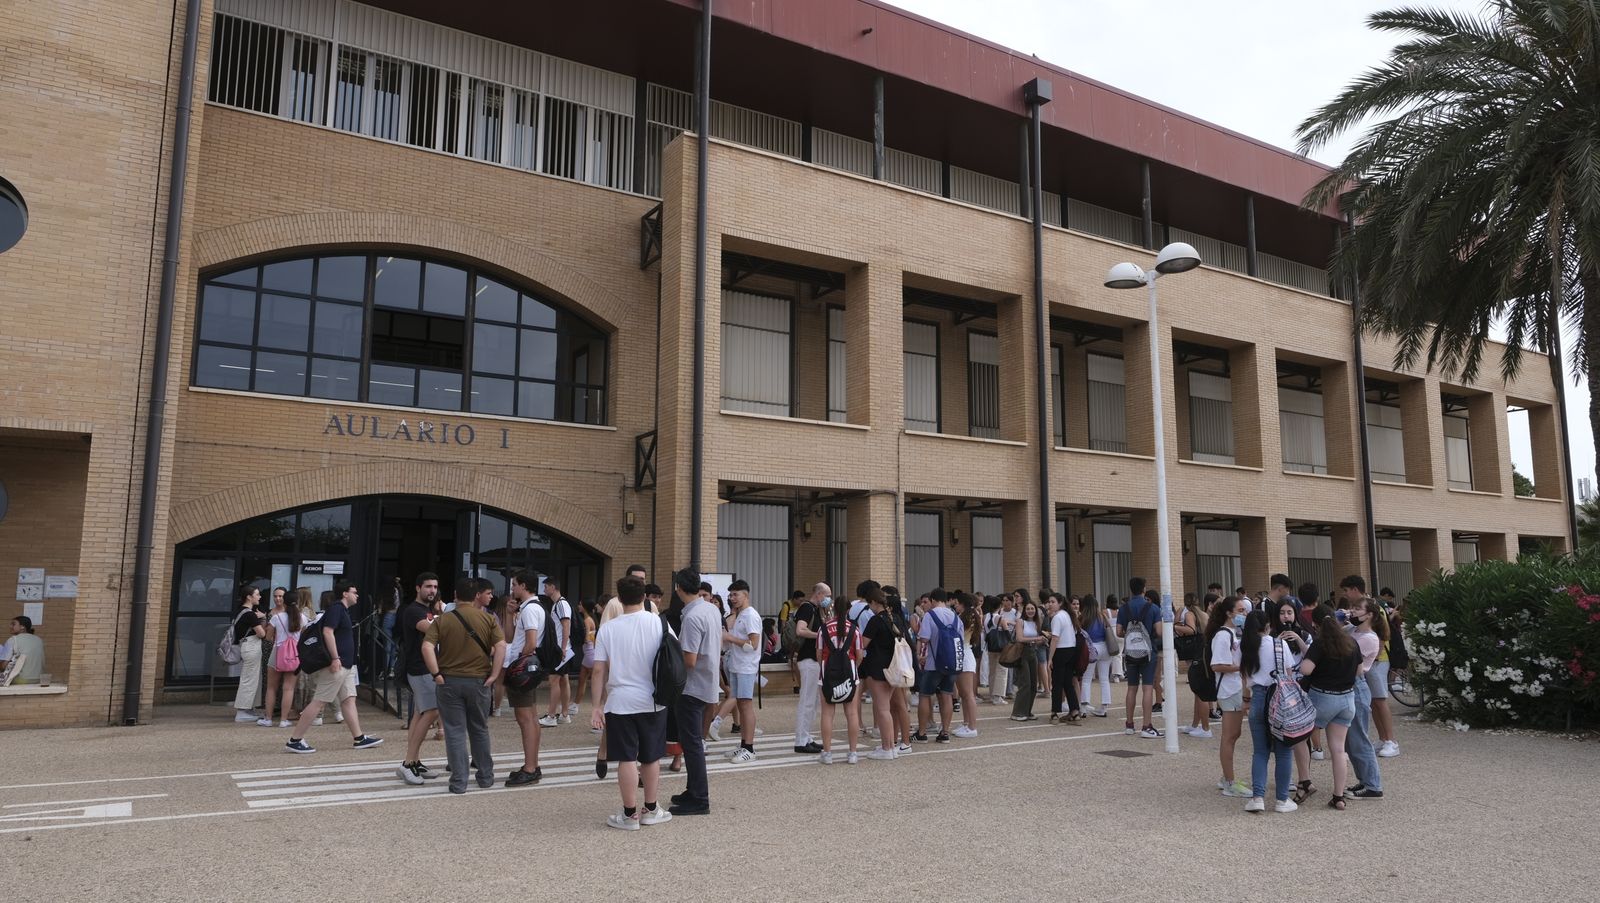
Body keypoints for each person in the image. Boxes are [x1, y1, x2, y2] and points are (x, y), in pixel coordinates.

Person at [591, 575, 673, 830]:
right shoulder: (659, 624)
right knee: (650, 756)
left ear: (619, 597)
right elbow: (674, 657)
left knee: (626, 757)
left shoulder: (608, 628)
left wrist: (596, 705)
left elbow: (598, 670)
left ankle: (629, 815)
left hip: (619, 700)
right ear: (644, 596)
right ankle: (650, 809)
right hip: (652, 699)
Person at [421, 577, 505, 794]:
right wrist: (494, 674)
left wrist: (436, 673)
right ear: (476, 596)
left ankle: (459, 782)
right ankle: (485, 776)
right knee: (479, 729)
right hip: (479, 681)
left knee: (455, 731)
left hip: (449, 681)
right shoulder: (488, 619)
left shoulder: (443, 620)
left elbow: (427, 647)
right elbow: (501, 646)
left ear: (455, 596)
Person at [285, 581, 382, 754]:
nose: (357, 595)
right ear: (345, 593)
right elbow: (327, 632)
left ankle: (359, 738)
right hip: (337, 664)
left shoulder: (342, 610)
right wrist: (335, 658)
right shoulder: (337, 609)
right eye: (354, 591)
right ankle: (295, 740)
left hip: (346, 665)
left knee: (348, 700)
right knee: (319, 701)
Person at [1300, 611, 1363, 811]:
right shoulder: (1352, 643)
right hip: (1347, 698)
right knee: (1338, 748)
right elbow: (1360, 672)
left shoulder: (1319, 644)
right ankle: (1338, 796)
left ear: (1317, 626)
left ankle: (1304, 781)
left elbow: (1306, 670)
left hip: (1323, 697)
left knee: (1300, 737)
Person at [1240, 610, 1300, 814]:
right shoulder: (1278, 644)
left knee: (1260, 751)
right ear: (1268, 625)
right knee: (1283, 752)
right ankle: (1282, 800)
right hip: (1279, 699)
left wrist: (1245, 701)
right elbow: (1290, 674)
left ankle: (1257, 797)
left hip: (1257, 698)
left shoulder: (1246, 647)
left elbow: (1245, 679)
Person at [670, 567, 718, 816]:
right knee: (693, 742)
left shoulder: (691, 617)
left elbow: (689, 660)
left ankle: (700, 798)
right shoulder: (710, 609)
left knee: (692, 744)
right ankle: (692, 790)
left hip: (691, 686)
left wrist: (670, 651)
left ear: (678, 588)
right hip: (706, 683)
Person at [496, 570, 546, 787]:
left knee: (526, 719)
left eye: (514, 585)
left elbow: (531, 642)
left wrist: (518, 665)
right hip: (527, 668)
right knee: (530, 718)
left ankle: (530, 768)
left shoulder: (530, 610)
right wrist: (509, 614)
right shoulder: (527, 609)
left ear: (524, 586)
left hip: (522, 670)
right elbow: (509, 637)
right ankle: (532, 764)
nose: (512, 589)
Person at [394, 573, 445, 784]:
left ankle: (414, 761)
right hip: (420, 668)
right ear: (418, 588)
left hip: (424, 668)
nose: (432, 590)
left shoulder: (427, 610)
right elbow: (433, 629)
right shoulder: (413, 611)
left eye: (434, 587)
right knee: (431, 711)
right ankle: (407, 763)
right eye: (428, 587)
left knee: (419, 713)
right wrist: (447, 615)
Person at [708, 579, 762, 762]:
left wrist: (729, 638)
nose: (732, 598)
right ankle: (743, 743)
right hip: (737, 665)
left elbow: (753, 644)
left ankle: (749, 748)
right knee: (740, 703)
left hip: (746, 667)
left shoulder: (750, 615)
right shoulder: (740, 614)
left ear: (745, 595)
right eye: (730, 595)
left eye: (735, 594)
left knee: (746, 704)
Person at [1345, 595, 1387, 801]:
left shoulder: (1369, 638)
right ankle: (1364, 779)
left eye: (1357, 609)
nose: (1352, 612)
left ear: (1369, 615)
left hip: (1357, 686)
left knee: (1358, 737)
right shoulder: (1352, 630)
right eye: (1351, 608)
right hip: (1345, 687)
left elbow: (1350, 661)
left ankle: (1372, 784)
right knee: (1349, 740)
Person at [1208, 595, 1249, 797]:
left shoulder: (1234, 633)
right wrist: (1240, 667)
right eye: (1240, 611)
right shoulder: (1223, 635)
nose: (1244, 614)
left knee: (1234, 734)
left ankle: (1228, 777)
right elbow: (1216, 665)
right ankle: (1229, 781)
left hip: (1235, 688)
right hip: (1229, 690)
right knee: (1229, 736)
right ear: (1229, 613)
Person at [816, 592, 863, 764]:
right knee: (851, 713)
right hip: (850, 673)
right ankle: (852, 753)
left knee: (827, 714)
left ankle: (827, 753)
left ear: (833, 608)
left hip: (827, 674)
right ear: (849, 609)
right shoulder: (854, 629)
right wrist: (852, 667)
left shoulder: (824, 628)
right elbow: (859, 655)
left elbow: (819, 654)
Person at [858, 585, 901, 759]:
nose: (870, 608)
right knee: (887, 709)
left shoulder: (875, 621)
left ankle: (886, 747)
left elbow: (863, 644)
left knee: (882, 708)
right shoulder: (896, 618)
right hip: (893, 666)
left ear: (875, 602)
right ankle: (889, 745)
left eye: (871, 605)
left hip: (876, 667)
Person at [1117, 577, 1162, 738]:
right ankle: (1146, 725)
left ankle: (1129, 724)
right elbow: (1159, 631)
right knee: (1148, 687)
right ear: (1144, 589)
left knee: (1131, 688)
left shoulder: (1124, 608)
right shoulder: (1153, 608)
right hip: (1148, 652)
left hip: (1130, 652)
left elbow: (1118, 632)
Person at [917, 588, 962, 738]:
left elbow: (924, 638)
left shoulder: (930, 615)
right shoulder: (955, 617)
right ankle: (945, 732)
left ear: (933, 600)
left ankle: (922, 732)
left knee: (925, 695)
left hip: (933, 663)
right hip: (952, 662)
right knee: (947, 695)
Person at [263, 587, 308, 728]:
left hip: (277, 653)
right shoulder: (303, 618)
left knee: (271, 688)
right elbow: (304, 637)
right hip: (295, 655)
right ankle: (283, 720)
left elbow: (268, 637)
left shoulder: (277, 617)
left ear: (285, 602)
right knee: (288, 688)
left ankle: (268, 719)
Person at [791, 583, 827, 754]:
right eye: (826, 596)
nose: (828, 599)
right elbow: (800, 630)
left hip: (813, 661)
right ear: (818, 594)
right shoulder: (807, 608)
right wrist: (821, 635)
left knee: (812, 702)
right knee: (807, 701)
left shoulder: (815, 609)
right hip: (808, 660)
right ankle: (800, 740)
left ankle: (806, 737)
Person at [540, 577, 578, 727]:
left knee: (554, 681)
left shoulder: (561, 604)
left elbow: (565, 625)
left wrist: (562, 648)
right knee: (564, 680)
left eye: (546, 587)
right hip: (564, 648)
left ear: (553, 587)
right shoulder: (559, 604)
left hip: (560, 649)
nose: (544, 590)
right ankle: (564, 714)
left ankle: (551, 716)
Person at [231, 586, 268, 723]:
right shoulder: (249, 614)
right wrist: (263, 619)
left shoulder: (240, 611)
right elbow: (262, 633)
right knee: (249, 679)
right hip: (251, 646)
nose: (259, 597)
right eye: (257, 594)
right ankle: (241, 711)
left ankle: (248, 708)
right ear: (249, 597)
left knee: (251, 678)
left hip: (245, 646)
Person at [1008, 598, 1046, 722]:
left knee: (1033, 685)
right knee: (1025, 684)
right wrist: (1037, 638)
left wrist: (1042, 640)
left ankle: (1027, 711)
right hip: (1022, 652)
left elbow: (1035, 640)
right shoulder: (1020, 621)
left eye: (1032, 609)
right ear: (1025, 610)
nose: (1030, 611)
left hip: (1033, 652)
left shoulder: (1036, 622)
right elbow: (1019, 638)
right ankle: (1017, 713)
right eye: (1028, 609)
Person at [1047, 594, 1082, 723]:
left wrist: (1050, 658)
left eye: (1053, 602)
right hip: (1071, 650)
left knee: (1057, 683)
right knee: (1068, 682)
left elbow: (1055, 638)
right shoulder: (1068, 615)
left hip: (1061, 651)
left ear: (1060, 603)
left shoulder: (1057, 617)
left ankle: (1055, 713)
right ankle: (1075, 710)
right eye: (1049, 602)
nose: (1050, 604)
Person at [1078, 595, 1114, 717]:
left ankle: (1083, 707)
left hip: (1091, 648)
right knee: (1104, 679)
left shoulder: (1083, 618)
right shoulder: (1102, 616)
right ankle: (1104, 707)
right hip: (1105, 648)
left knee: (1086, 679)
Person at [951, 592, 980, 738]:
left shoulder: (966, 617)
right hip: (964, 653)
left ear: (962, 604)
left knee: (968, 694)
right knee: (964, 693)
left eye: (957, 603)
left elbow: (959, 637)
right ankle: (966, 723)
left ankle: (972, 726)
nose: (955, 605)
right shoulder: (969, 616)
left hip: (965, 654)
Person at [985, 592, 1018, 703]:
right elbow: (1007, 633)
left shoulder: (985, 617)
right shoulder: (1000, 618)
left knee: (992, 671)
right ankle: (998, 696)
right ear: (999, 606)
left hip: (990, 646)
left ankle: (991, 694)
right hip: (1001, 647)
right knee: (1002, 671)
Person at [5, 616, 43, 685]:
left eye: (13, 624)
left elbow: (3, 666)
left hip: (20, 680)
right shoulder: (39, 640)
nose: (10, 626)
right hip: (38, 679)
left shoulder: (13, 640)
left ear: (22, 627)